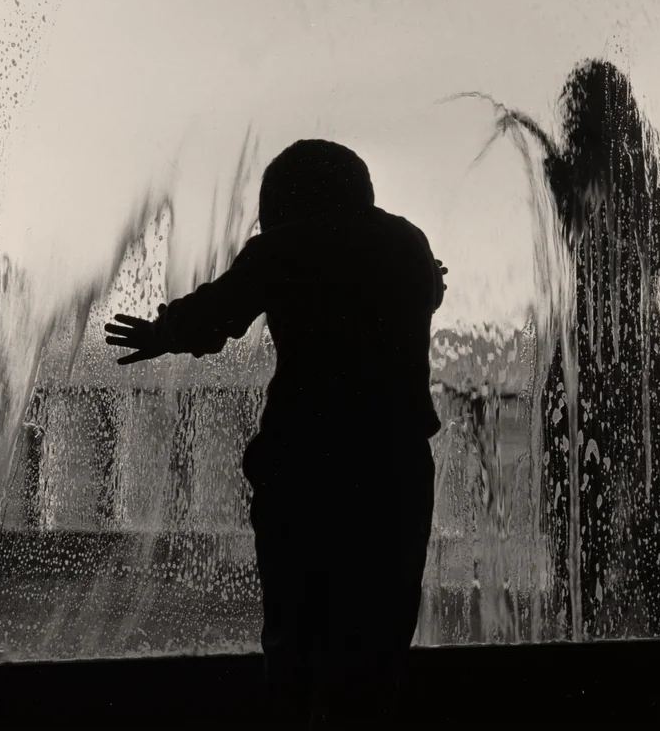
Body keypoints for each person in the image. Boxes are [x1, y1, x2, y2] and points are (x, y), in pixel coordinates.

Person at [105, 139, 448, 724]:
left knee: (298, 630)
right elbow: (429, 290)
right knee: (381, 633)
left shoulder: (285, 248)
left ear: (288, 197)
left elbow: (220, 312)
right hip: (395, 465)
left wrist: (163, 332)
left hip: (306, 464)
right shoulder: (405, 242)